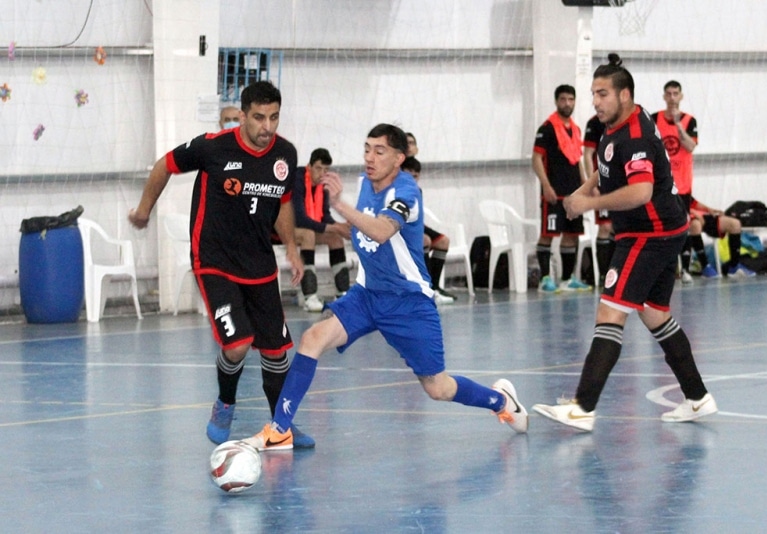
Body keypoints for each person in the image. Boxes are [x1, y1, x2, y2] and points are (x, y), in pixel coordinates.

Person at [243, 123, 528, 451]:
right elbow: (361, 231)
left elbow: (380, 230)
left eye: (379, 151)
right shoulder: (366, 182)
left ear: (398, 159)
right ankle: (280, 429)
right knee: (311, 338)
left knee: (438, 388)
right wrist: (333, 228)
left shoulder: (407, 192)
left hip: (408, 303)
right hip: (367, 295)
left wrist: (340, 205)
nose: (370, 157)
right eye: (367, 149)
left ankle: (499, 400)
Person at [532, 54, 718, 432]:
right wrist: (580, 194)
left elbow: (640, 191)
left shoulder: (634, 135)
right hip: (666, 230)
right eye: (593, 94)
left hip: (648, 234)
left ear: (625, 94)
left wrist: (591, 204)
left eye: (603, 93)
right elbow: (605, 172)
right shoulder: (620, 124)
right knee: (655, 314)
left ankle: (582, 408)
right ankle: (698, 399)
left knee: (610, 313)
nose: (595, 101)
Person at [128, 81, 316, 448]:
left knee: (277, 352)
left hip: (260, 263)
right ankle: (225, 403)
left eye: (274, 117)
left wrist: (292, 247)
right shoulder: (213, 147)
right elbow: (163, 165)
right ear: (243, 115)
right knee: (237, 345)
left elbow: (282, 203)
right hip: (214, 259)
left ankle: (281, 428)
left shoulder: (286, 155)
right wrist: (143, 210)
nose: (267, 126)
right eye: (259, 117)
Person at [532, 84, 592, 293]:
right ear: (557, 101)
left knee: (571, 234)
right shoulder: (547, 128)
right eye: (563, 99)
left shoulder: (575, 129)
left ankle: (567, 279)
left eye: (571, 99)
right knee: (548, 233)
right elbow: (536, 159)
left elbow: (578, 160)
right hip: (554, 192)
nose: (567, 103)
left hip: (573, 192)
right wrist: (546, 186)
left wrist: (586, 186)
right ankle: (545, 279)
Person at [292, 148, 352, 312]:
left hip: (303, 229)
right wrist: (336, 227)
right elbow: (299, 218)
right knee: (309, 235)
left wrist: (340, 227)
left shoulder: (322, 187)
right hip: (281, 229)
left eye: (326, 170)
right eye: (318, 168)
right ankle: (309, 296)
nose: (322, 173)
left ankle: (343, 294)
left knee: (335, 238)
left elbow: (325, 217)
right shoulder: (296, 180)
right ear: (309, 166)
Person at [652, 81, 698, 284]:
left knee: (684, 226)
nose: (672, 98)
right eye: (668, 94)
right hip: (661, 184)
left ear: (681, 96)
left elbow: (690, 147)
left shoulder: (689, 121)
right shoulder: (654, 119)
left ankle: (685, 268)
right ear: (664, 97)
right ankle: (660, 267)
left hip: (683, 184)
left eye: (675, 94)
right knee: (660, 226)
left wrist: (678, 125)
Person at [401, 155, 457, 305]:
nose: (412, 179)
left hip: (415, 224)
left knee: (443, 241)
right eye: (409, 175)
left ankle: (435, 287)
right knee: (424, 240)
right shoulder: (396, 190)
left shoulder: (417, 190)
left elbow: (417, 217)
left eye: (415, 176)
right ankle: (426, 288)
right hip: (399, 226)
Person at [687, 197, 756, 278]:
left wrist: (709, 209)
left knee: (735, 224)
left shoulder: (685, 185)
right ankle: (705, 266)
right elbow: (674, 205)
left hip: (698, 215)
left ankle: (734, 266)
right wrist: (693, 212)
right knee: (696, 225)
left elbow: (692, 202)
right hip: (681, 215)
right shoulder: (671, 187)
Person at [583, 114, 615, 285]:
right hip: (603, 184)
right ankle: (604, 274)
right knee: (605, 226)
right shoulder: (595, 123)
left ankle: (619, 272)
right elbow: (587, 155)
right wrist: (591, 185)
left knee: (620, 226)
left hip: (622, 185)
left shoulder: (627, 120)